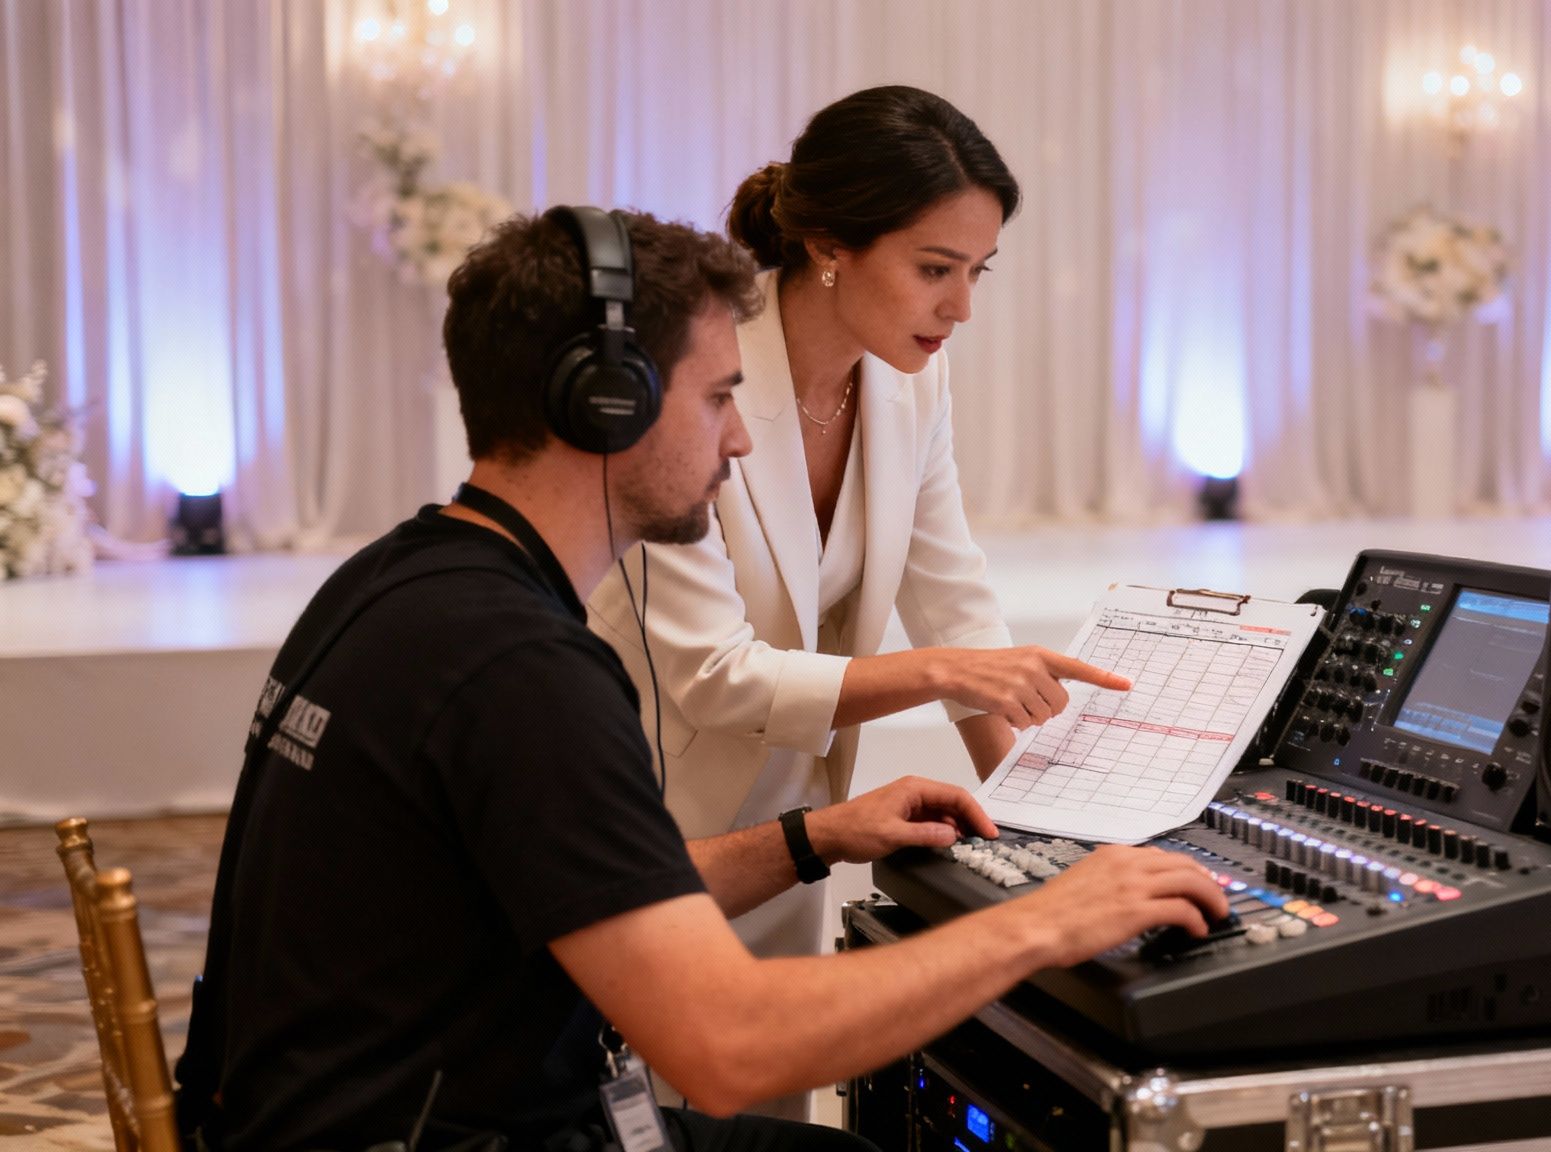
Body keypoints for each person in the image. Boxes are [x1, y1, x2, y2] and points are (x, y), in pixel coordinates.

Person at [173, 207, 1228, 1151]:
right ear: (604, 403)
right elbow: (732, 1046)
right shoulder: (522, 675)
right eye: (719, 395)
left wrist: (812, 838)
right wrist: (1045, 920)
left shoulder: (400, 579)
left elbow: (580, 887)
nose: (736, 437)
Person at [587, 86, 1123, 966]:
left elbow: (955, 607)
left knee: (773, 1098)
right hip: (653, 814)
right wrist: (950, 669)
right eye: (934, 268)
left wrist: (1054, 839)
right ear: (830, 245)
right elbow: (713, 677)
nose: (963, 308)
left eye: (977, 271)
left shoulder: (911, 381)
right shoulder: (682, 375)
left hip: (794, 816)